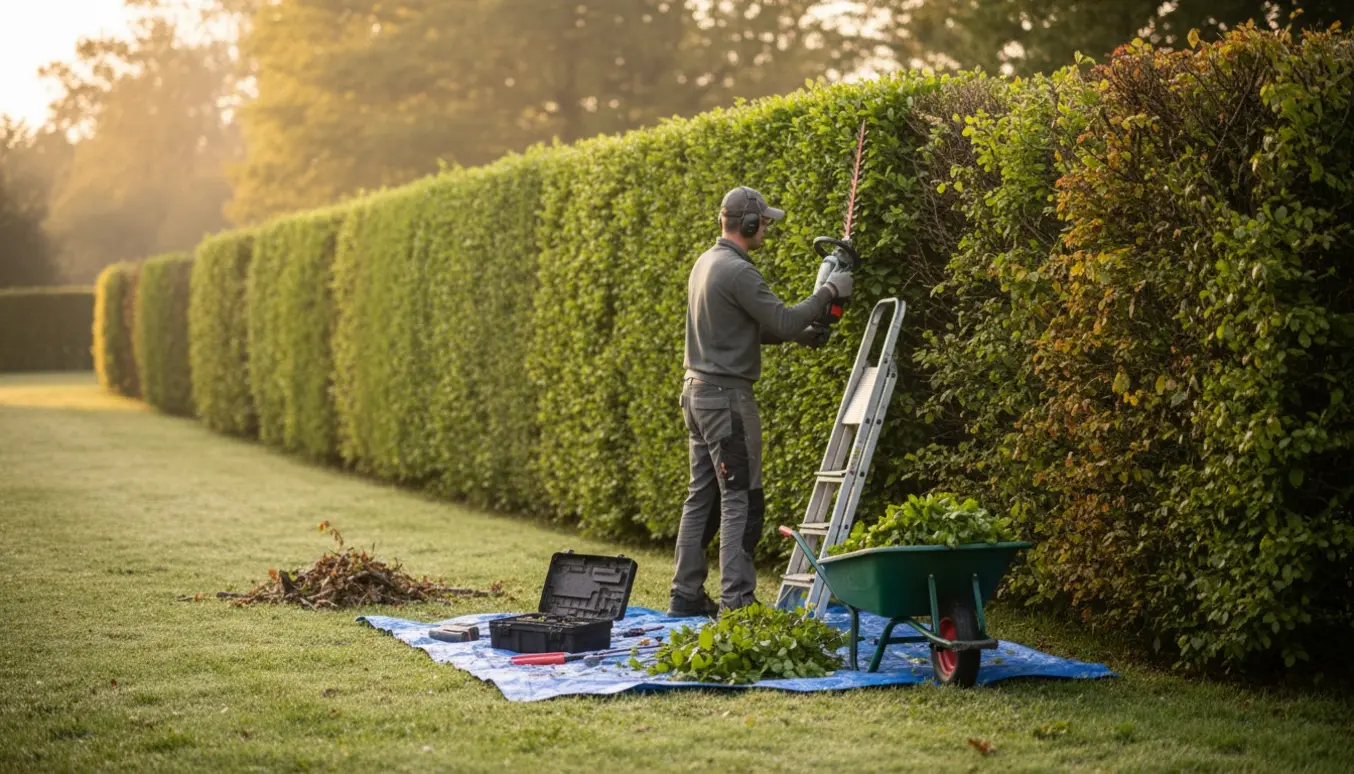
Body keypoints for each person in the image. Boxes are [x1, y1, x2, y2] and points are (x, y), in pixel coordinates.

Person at [667, 186, 853, 617]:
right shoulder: (738, 271)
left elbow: (745, 328)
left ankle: (685, 594)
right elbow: (784, 319)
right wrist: (829, 291)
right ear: (747, 223)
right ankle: (738, 602)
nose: (767, 227)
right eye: (764, 221)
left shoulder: (706, 263)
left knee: (702, 496)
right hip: (727, 399)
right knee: (741, 499)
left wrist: (803, 335)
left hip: (696, 393)